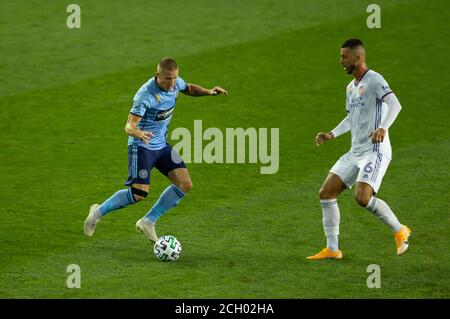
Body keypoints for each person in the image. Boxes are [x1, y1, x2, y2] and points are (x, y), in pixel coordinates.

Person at [84, 57, 228, 242]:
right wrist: (139, 133)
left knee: (185, 184)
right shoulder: (146, 96)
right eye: (168, 78)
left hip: (161, 145)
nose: (172, 82)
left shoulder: (176, 85)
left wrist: (209, 92)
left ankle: (148, 221)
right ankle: (97, 212)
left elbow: (189, 88)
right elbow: (128, 126)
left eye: (175, 78)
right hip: (141, 146)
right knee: (139, 194)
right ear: (157, 76)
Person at [307, 39, 411, 260]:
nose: (341, 61)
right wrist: (331, 134)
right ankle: (333, 249)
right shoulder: (350, 87)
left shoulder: (374, 79)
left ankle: (399, 230)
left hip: (375, 151)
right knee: (326, 194)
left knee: (362, 197)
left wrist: (383, 127)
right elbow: (351, 117)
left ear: (358, 58)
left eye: (344, 57)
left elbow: (395, 104)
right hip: (355, 152)